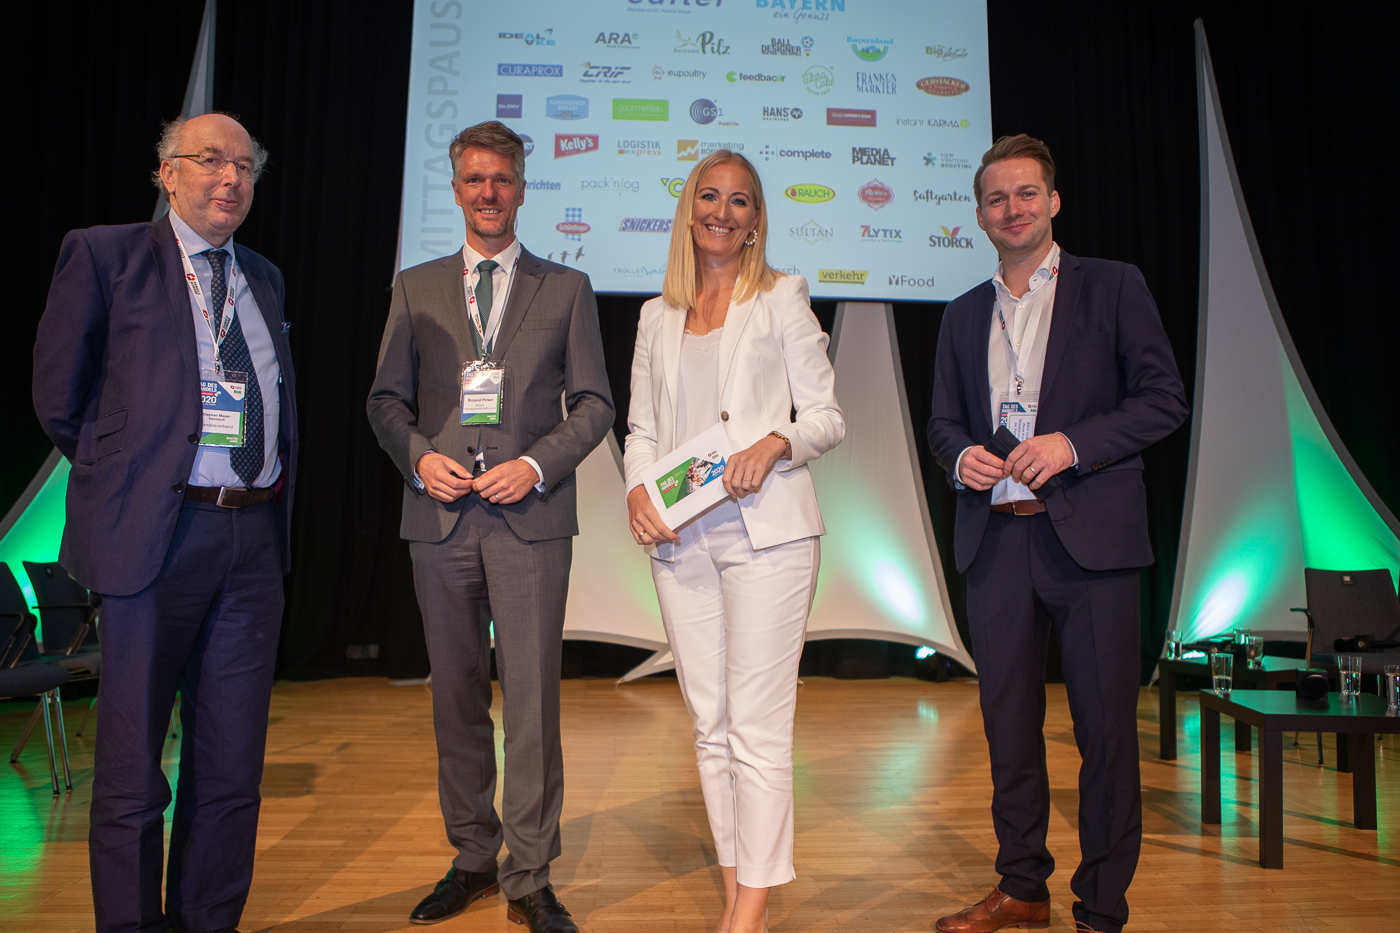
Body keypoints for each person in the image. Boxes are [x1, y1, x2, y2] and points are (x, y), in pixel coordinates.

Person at [32, 112, 297, 933]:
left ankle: (207, 921)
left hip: (251, 541)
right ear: (167, 173)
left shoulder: (263, 275)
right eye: (211, 160)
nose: (231, 178)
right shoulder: (105, 256)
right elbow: (59, 397)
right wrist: (130, 479)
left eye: (245, 166)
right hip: (156, 537)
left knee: (231, 769)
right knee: (131, 771)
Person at [926, 134, 1188, 933]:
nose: (1013, 208)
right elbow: (942, 422)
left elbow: (1163, 399)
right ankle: (1022, 887)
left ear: (1054, 201)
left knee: (1104, 734)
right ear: (979, 216)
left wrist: (1071, 445)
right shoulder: (962, 313)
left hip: (1092, 542)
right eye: (997, 198)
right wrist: (961, 456)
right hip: (996, 543)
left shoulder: (1114, 285)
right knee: (1008, 729)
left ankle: (1101, 909)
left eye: (1027, 193)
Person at [366, 120, 613, 933]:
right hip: (440, 519)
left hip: (529, 520)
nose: (489, 192)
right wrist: (417, 457)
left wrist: (536, 464)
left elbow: (594, 405)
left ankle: (530, 873)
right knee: (457, 699)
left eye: (502, 179)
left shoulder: (566, 287)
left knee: (532, 702)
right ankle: (473, 855)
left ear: (522, 187)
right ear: (456, 188)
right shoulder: (415, 287)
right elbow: (385, 401)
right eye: (475, 179)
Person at [624, 150, 844, 933]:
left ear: (755, 221)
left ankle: (749, 914)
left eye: (740, 201)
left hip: (768, 535)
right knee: (709, 726)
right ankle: (736, 897)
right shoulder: (655, 315)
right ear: (690, 210)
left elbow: (826, 416)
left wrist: (777, 441)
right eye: (710, 196)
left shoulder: (782, 296)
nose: (723, 211)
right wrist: (637, 490)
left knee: (756, 727)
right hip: (680, 540)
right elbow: (642, 429)